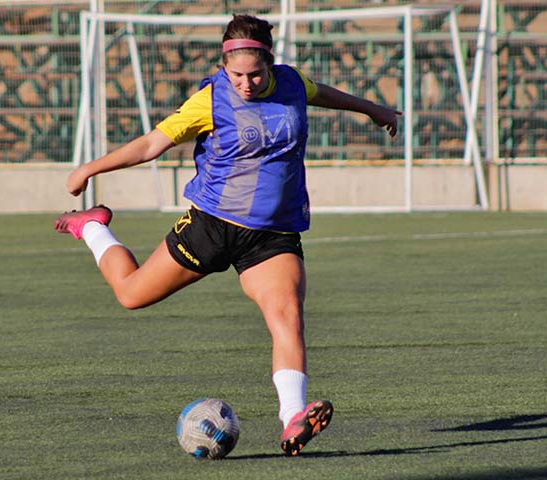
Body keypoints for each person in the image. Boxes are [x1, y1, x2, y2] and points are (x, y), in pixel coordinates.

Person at [54, 14, 401, 456]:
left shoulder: (292, 83)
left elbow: (323, 94)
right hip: (213, 225)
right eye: (235, 74)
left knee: (287, 315)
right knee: (130, 294)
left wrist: (374, 110)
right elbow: (149, 145)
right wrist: (89, 168)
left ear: (271, 64)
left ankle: (293, 417)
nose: (246, 83)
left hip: (273, 235)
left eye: (255, 74)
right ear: (223, 66)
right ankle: (93, 226)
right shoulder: (210, 98)